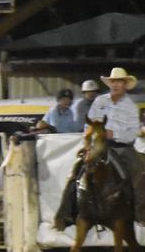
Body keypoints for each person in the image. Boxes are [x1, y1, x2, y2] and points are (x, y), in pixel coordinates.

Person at [57, 67, 145, 224]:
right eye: (113, 81)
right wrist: (91, 137)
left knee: (139, 172)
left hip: (122, 147)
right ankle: (66, 213)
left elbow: (132, 133)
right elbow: (88, 124)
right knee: (76, 170)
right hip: (99, 144)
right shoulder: (100, 102)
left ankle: (140, 212)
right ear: (110, 84)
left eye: (119, 81)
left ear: (125, 84)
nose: (116, 84)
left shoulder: (130, 107)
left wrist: (113, 134)